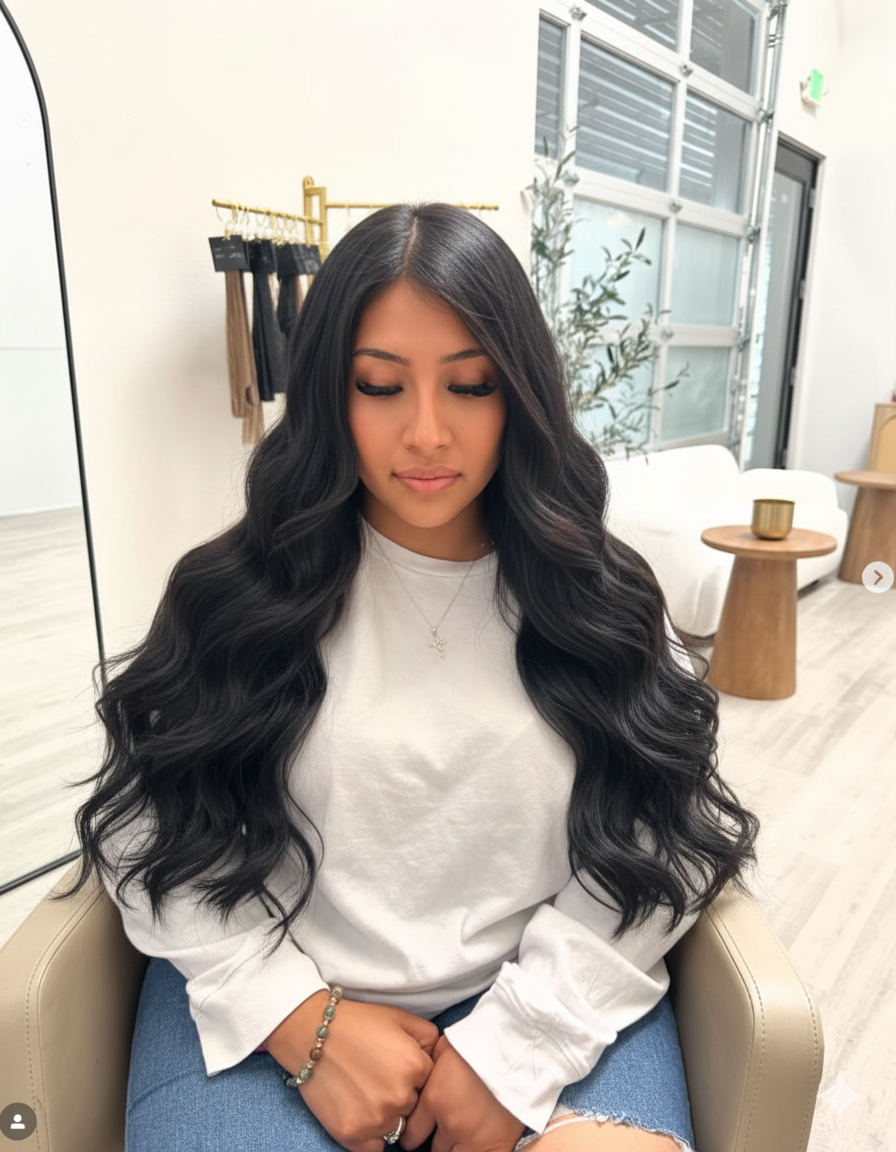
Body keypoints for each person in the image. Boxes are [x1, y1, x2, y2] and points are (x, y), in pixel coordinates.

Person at [66, 203, 760, 1152]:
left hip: (548, 981)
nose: (428, 433)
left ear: (520, 394)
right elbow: (145, 822)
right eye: (381, 386)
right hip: (277, 990)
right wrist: (294, 1017)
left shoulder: (602, 603)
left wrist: (518, 1045)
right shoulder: (234, 598)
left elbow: (668, 833)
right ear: (328, 395)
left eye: (470, 386)